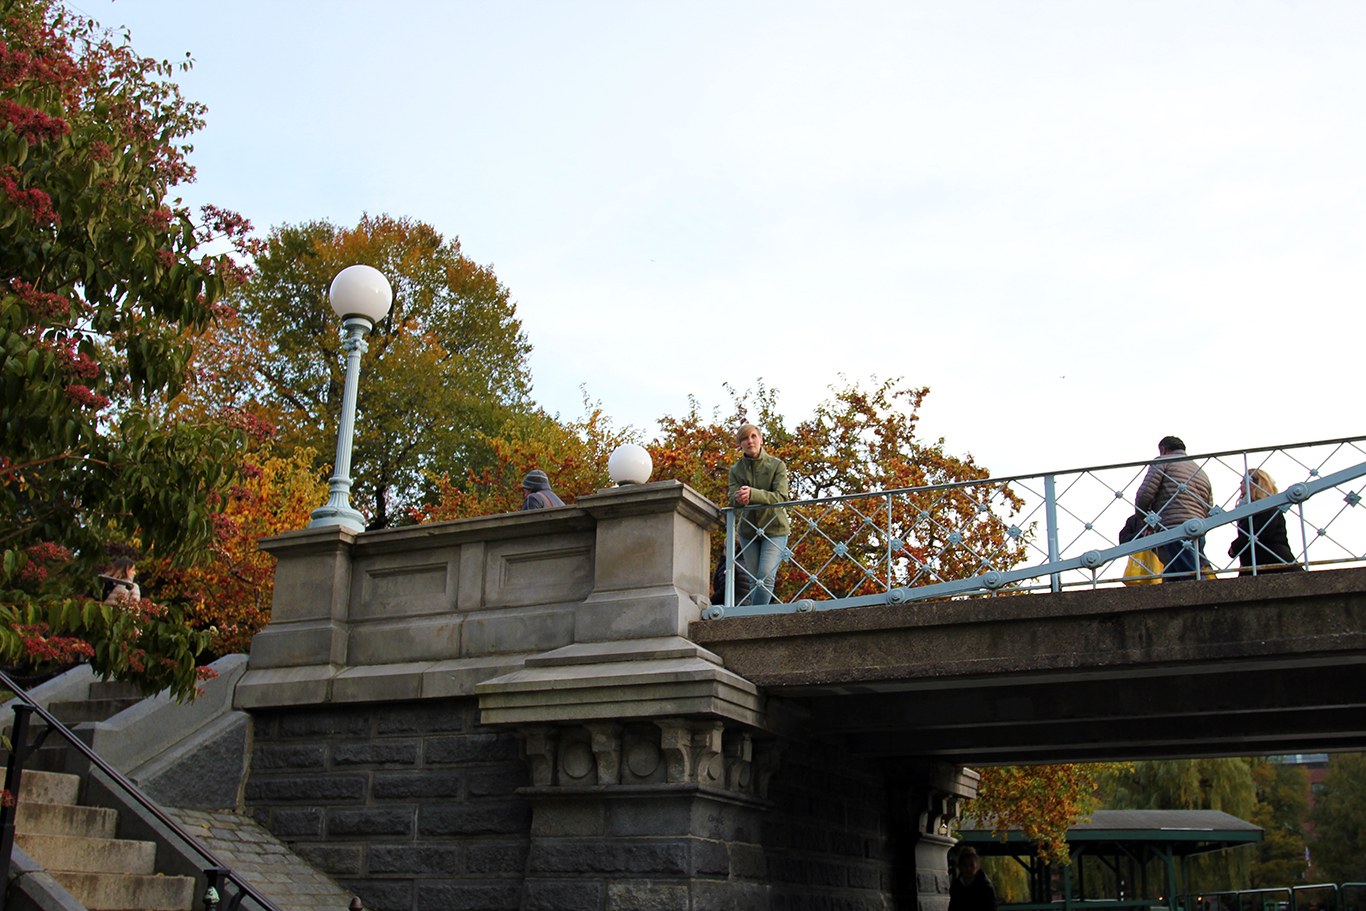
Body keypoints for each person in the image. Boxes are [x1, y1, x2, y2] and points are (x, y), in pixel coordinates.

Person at [1134, 435, 1212, 582]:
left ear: (1163, 450)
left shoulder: (1163, 462)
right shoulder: (1200, 471)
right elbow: (1209, 504)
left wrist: (1143, 518)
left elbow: (1145, 494)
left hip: (1174, 527)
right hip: (1197, 529)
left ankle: (1207, 601)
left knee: (1190, 576)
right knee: (1173, 576)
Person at [727, 424, 789, 606]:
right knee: (754, 581)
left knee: (765, 578)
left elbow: (781, 496)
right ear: (740, 444)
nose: (750, 441)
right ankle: (756, 620)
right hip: (748, 531)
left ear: (761, 440)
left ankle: (754, 618)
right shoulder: (735, 470)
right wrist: (739, 498)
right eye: (745, 438)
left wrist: (753, 494)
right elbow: (732, 499)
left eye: (753, 436)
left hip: (774, 529)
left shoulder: (777, 465)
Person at [1229, 468, 1301, 576]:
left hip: (1273, 565)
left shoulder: (1267, 508)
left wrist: (1235, 548)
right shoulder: (1260, 508)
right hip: (1264, 565)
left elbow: (1256, 533)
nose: (1240, 483)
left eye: (1245, 480)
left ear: (1256, 483)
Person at [948, 846, 997, 911]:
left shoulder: (985, 888)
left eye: (971, 865)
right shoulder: (955, 888)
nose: (968, 868)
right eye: (965, 865)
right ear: (960, 866)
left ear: (977, 866)